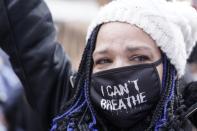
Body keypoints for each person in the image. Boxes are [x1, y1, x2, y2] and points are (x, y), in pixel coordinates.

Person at [0, 0, 197, 130]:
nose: (118, 69)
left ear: (172, 68)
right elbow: (28, 31)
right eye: (104, 60)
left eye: (139, 58)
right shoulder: (69, 111)